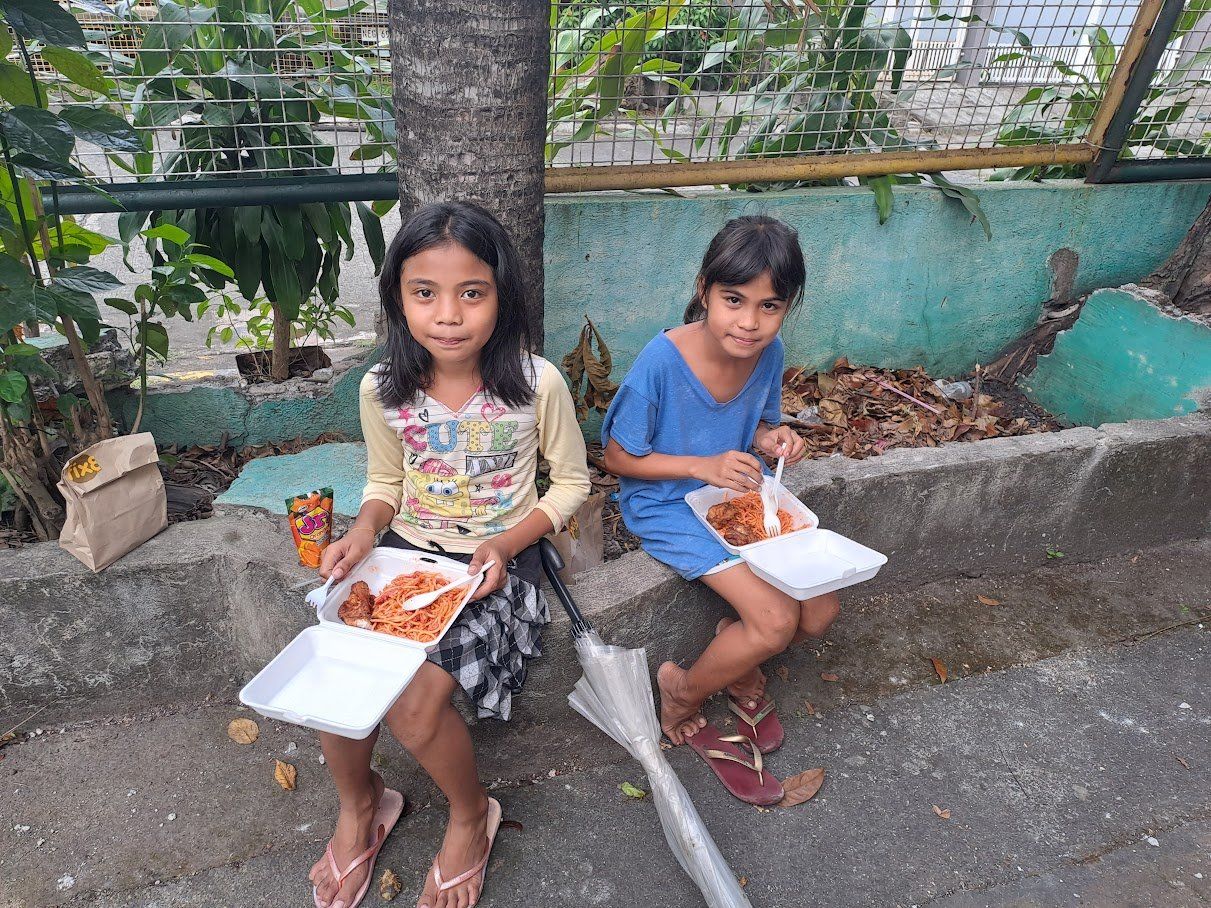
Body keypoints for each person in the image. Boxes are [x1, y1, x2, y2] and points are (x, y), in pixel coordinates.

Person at [311, 201, 590, 908]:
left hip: (497, 564)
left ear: (503, 296)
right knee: (334, 677)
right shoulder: (384, 388)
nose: (448, 314)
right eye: (423, 292)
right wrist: (361, 532)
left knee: (410, 710)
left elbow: (572, 485)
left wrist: (506, 541)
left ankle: (472, 817)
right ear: (397, 299)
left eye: (472, 292)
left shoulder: (535, 384)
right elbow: (384, 484)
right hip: (403, 556)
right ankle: (362, 806)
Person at [601, 214, 839, 806]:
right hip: (665, 502)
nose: (750, 322)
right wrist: (699, 464)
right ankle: (682, 690)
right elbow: (617, 458)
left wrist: (772, 438)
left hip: (733, 498)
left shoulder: (768, 351)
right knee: (777, 621)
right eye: (734, 300)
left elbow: (761, 420)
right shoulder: (661, 363)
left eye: (770, 306)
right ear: (705, 289)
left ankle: (734, 653)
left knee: (819, 612)